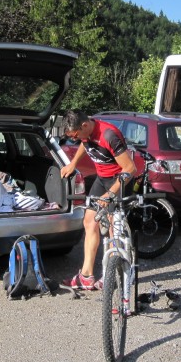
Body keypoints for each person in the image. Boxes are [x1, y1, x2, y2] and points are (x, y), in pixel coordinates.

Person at [60, 110, 136, 290]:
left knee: (113, 228)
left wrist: (110, 194)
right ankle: (86, 276)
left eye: (75, 135)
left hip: (119, 181)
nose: (75, 139)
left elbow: (130, 168)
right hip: (102, 179)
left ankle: (112, 274)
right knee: (89, 221)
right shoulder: (85, 133)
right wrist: (73, 163)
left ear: (84, 125)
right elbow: (84, 144)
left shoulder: (109, 135)